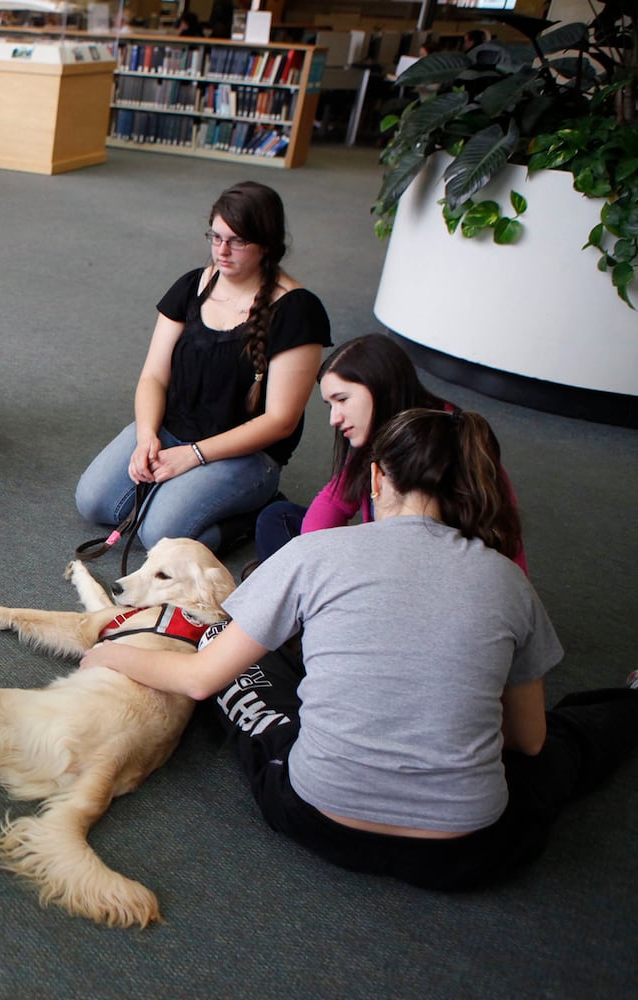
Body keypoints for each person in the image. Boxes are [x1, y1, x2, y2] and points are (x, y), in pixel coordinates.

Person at [82, 407, 638, 890]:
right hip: (468, 852)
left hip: (316, 819)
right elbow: (529, 740)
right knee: (566, 742)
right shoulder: (509, 582)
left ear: (375, 479)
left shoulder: (315, 552)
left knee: (238, 669)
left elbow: (199, 678)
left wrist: (107, 651)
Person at [75, 181, 331, 553]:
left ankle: (252, 515)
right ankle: (175, 493)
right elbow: (153, 376)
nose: (222, 251)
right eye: (216, 237)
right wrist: (147, 435)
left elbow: (281, 421)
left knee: (157, 534)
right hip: (172, 427)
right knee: (94, 503)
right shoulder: (193, 284)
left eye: (237, 241)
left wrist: (192, 456)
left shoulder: (297, 310)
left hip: (244, 454)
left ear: (268, 246)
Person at [252, 333, 527, 570]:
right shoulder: (379, 430)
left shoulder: (444, 437)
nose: (334, 419)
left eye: (343, 400)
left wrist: (305, 569)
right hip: (387, 554)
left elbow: (500, 542)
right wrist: (307, 557)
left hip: (422, 575)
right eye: (330, 404)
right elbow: (335, 500)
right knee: (279, 518)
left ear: (380, 387)